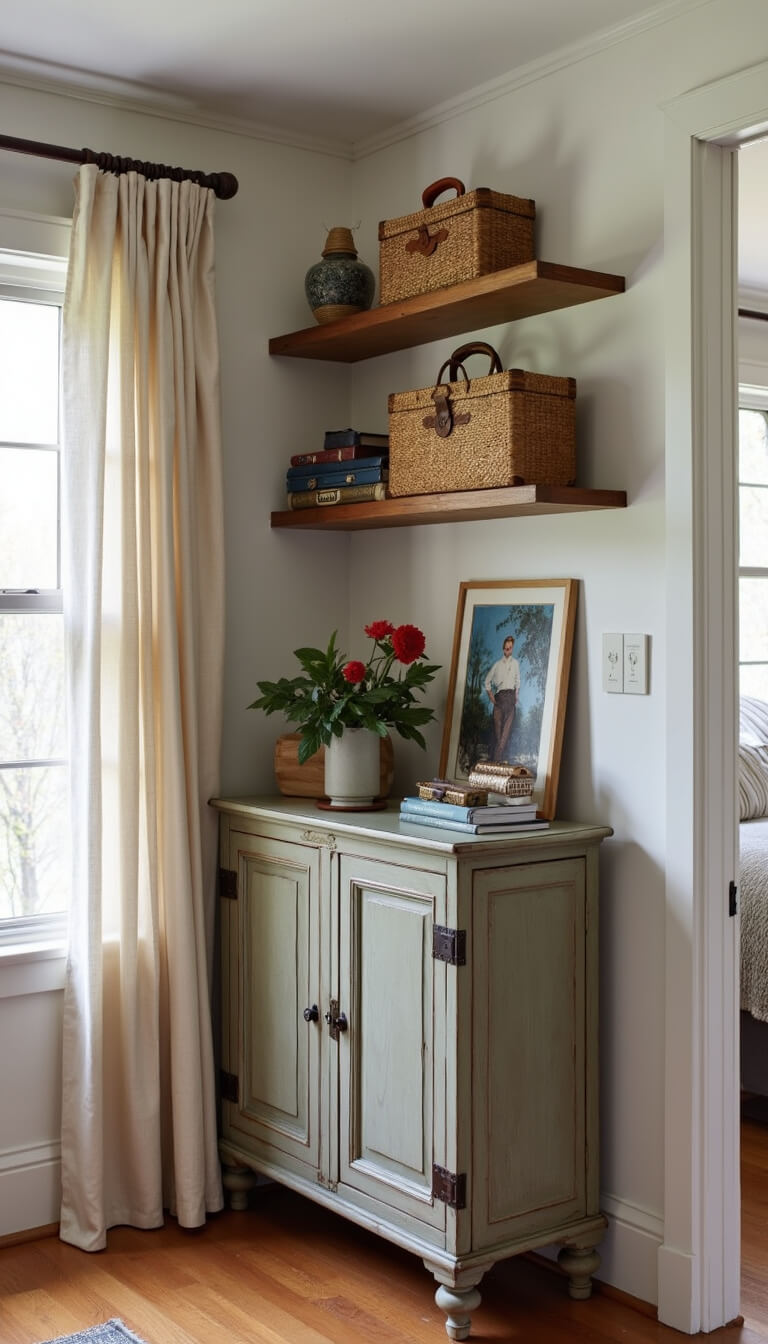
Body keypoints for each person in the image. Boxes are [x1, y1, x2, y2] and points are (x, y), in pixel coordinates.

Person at [484, 635, 520, 762]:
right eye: (506, 648)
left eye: (510, 648)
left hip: (510, 699)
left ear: (512, 648)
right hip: (499, 699)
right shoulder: (497, 665)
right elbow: (487, 681)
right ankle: (497, 760)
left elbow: (518, 681)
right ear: (503, 649)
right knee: (498, 733)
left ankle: (496, 760)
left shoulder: (515, 664)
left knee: (506, 733)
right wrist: (491, 697)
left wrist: (516, 696)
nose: (508, 651)